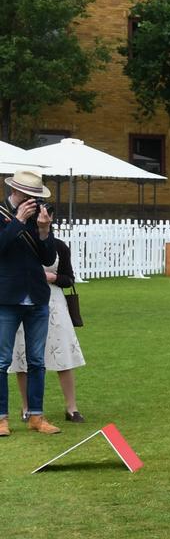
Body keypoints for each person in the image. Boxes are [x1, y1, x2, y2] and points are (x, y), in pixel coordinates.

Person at [9, 203, 85, 423]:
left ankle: (71, 407)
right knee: (22, 355)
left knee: (63, 354)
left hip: (54, 303)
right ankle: (26, 407)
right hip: (24, 300)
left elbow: (68, 278)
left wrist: (52, 278)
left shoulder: (59, 246)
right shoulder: (19, 242)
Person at [0, 170, 59, 437]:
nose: (35, 201)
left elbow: (47, 259)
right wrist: (17, 221)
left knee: (37, 361)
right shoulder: (2, 214)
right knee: (1, 361)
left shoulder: (39, 217)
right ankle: (1, 419)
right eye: (31, 195)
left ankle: (36, 416)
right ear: (17, 192)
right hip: (6, 297)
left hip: (36, 297)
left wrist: (45, 230)